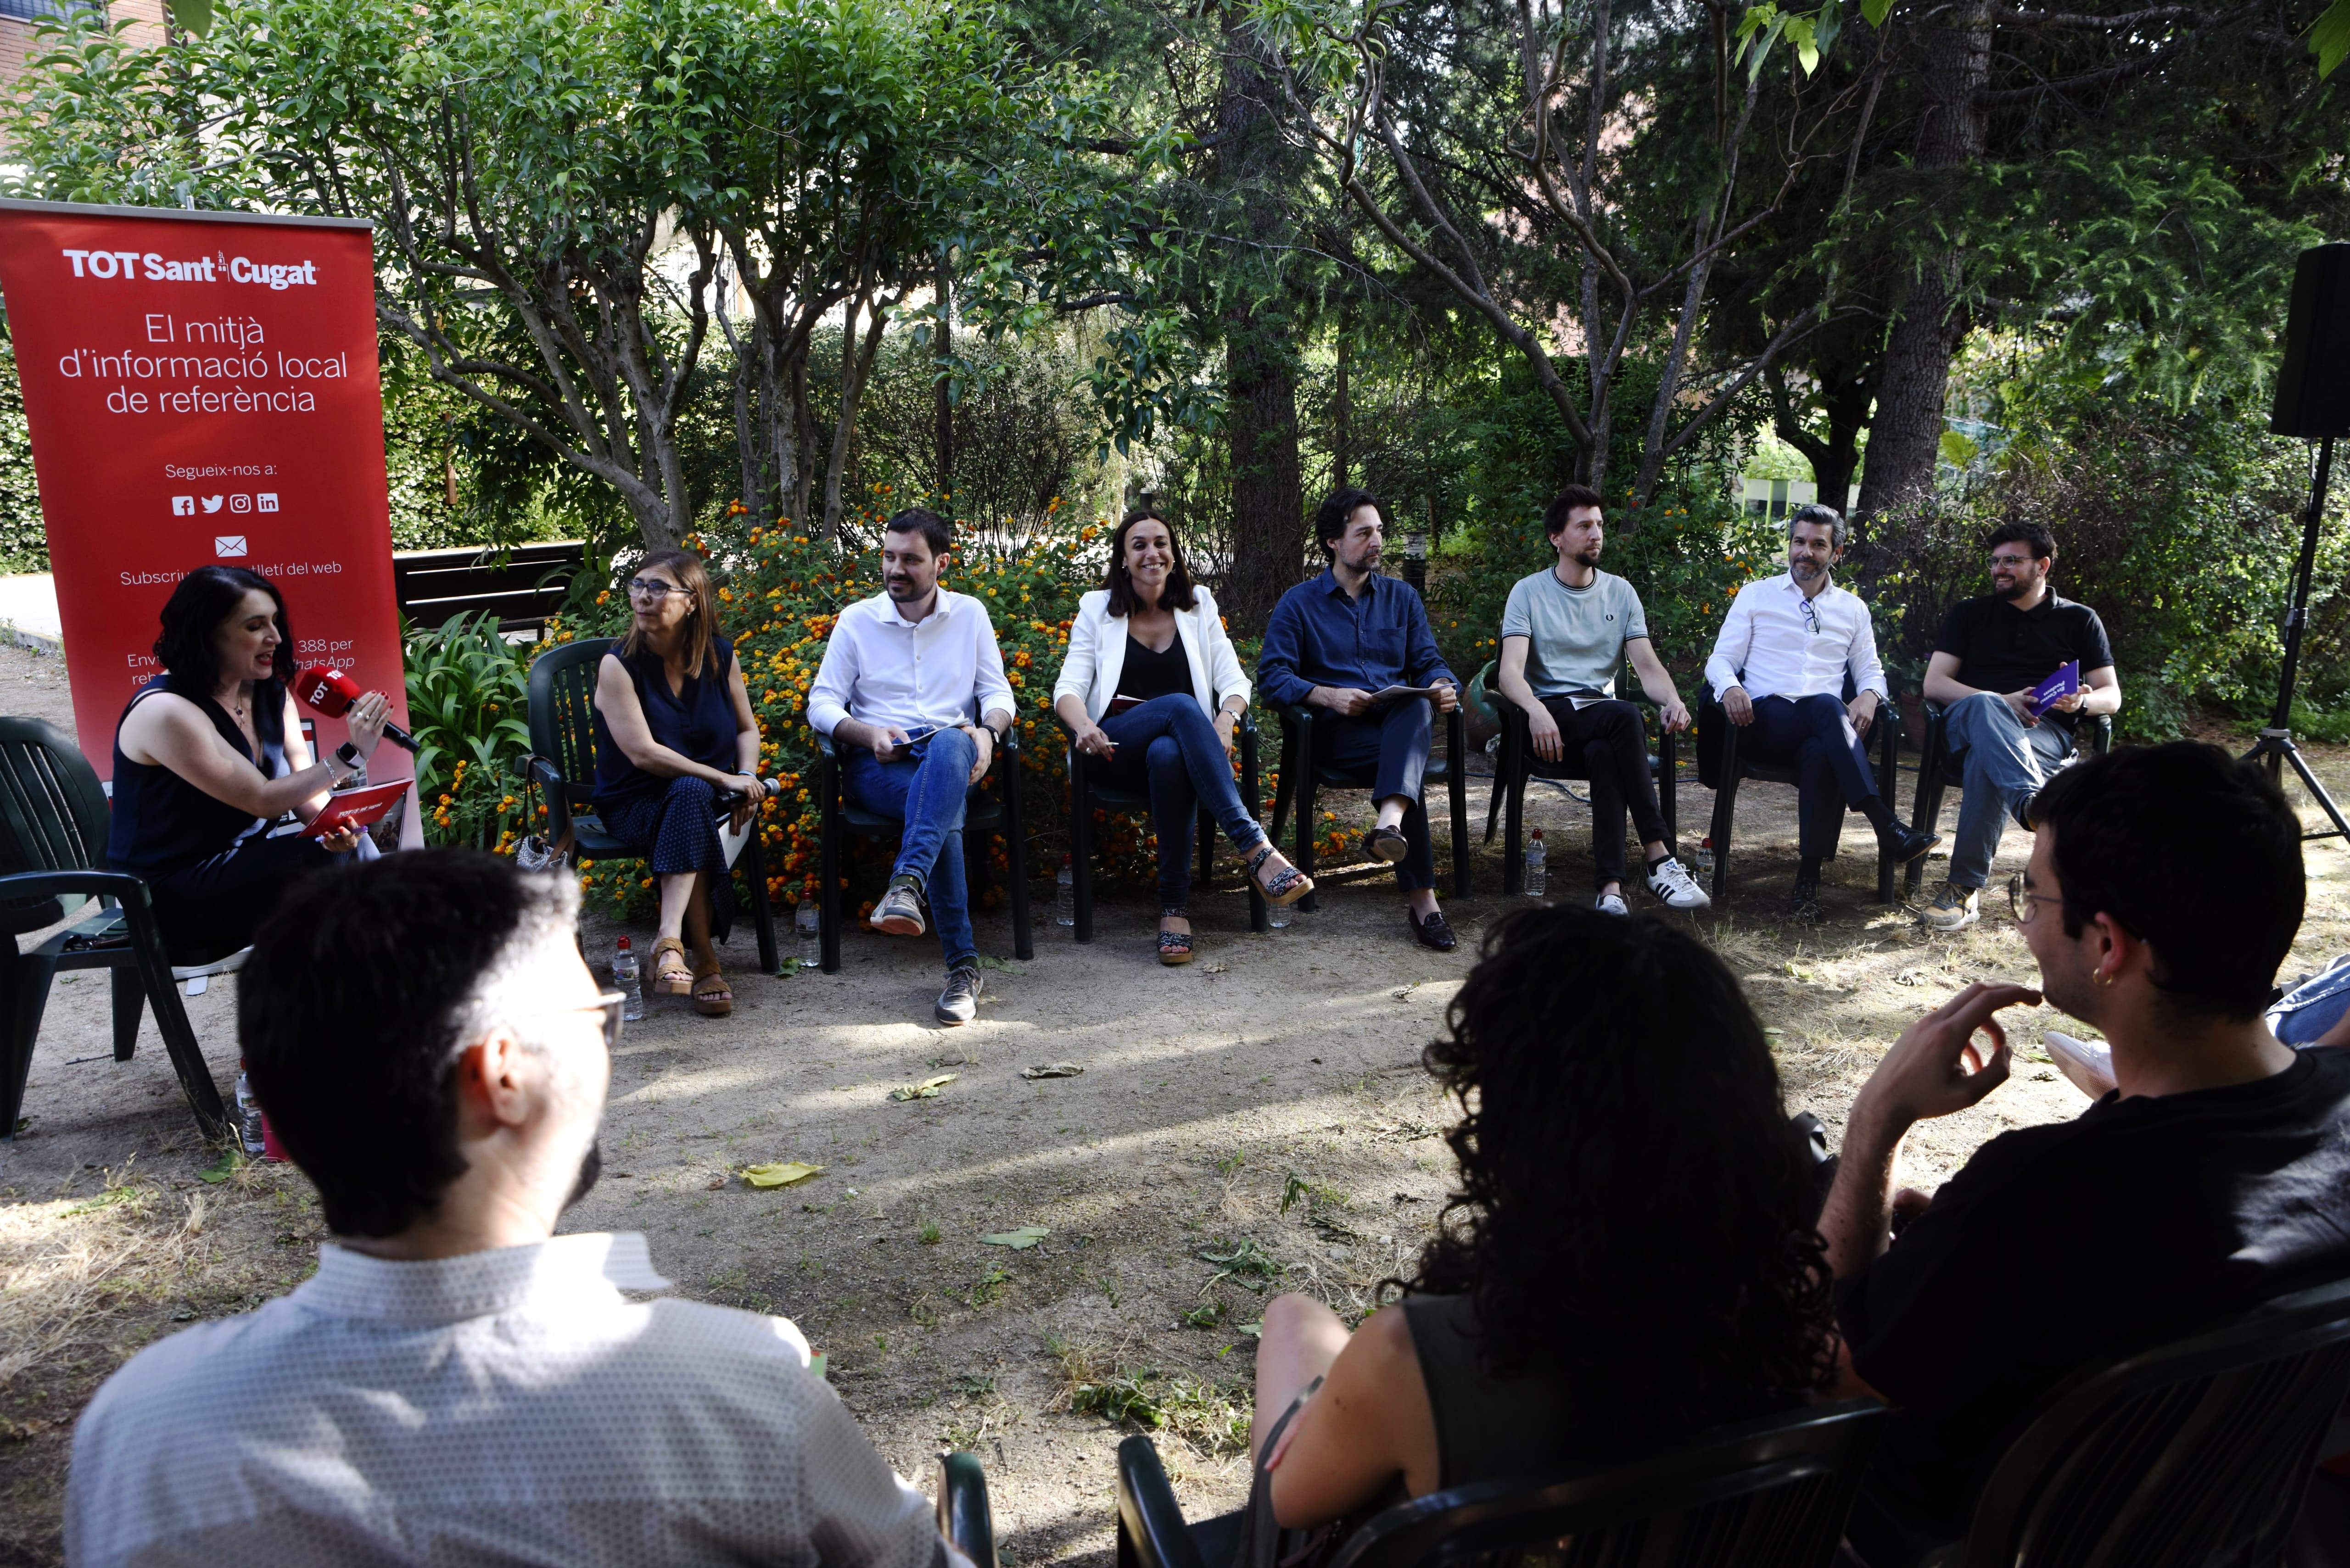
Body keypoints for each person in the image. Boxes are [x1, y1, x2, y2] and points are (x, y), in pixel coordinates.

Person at [65, 851, 966, 1568]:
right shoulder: (743, 1402)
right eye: (596, 1018)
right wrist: (733, 1373)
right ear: (501, 1075)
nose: (607, 1050)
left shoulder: (140, 1432)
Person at [1818, 743, 2350, 1564]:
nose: (2024, 920)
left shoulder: (2044, 1194)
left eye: (2031, 896)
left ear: (2107, 945)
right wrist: (1961, 1245)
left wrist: (1877, 1122)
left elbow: (1837, 1384)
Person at [1234, 906, 1835, 1567]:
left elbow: (1292, 1502)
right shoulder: (1794, 1326)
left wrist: (1321, 1406)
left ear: (1517, 1133)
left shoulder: (1417, 1356)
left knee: (1293, 1320)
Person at [1052, 505, 1313, 962]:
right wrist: (1084, 725)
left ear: (1173, 554)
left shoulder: (1198, 606)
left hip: (1174, 759)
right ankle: (1254, 847)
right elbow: (1068, 689)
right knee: (1179, 705)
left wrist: (1227, 719)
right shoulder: (1096, 610)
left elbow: (1234, 682)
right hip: (1113, 747)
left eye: (1160, 544)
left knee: (1171, 753)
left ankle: (1173, 910)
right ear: (1122, 559)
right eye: (1139, 546)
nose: (1151, 553)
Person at [105, 565, 392, 952]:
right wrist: (350, 755)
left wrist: (340, 825)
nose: (275, 637)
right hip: (165, 892)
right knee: (324, 867)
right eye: (255, 626)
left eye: (275, 622)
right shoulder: (166, 712)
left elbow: (303, 791)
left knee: (352, 846)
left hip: (243, 866)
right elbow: (262, 798)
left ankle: (386, 979)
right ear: (207, 634)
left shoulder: (271, 695)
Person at [808, 508, 1014, 1024]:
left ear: (941, 563)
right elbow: (822, 704)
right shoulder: (857, 620)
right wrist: (867, 732)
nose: (895, 569)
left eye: (910, 560)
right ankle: (963, 969)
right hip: (880, 766)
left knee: (949, 744)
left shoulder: (969, 615)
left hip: (952, 753)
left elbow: (997, 693)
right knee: (943, 812)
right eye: (888, 556)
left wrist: (988, 734)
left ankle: (905, 887)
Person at [1703, 504, 1937, 923]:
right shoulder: (1756, 595)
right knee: (1830, 709)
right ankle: (1887, 826)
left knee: (1821, 751)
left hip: (1825, 732)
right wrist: (1731, 687)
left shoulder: (1852, 609)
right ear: (1790, 545)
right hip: (1762, 721)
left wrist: (1869, 694)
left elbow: (1871, 670)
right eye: (1799, 541)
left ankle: (1807, 881)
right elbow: (1720, 661)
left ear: (1837, 552)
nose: (1805, 552)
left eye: (1818, 544)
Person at [1258, 488, 1463, 951]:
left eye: (1380, 532)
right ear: (1333, 541)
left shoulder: (1401, 598)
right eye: (1364, 532)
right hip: (1333, 736)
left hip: (1394, 727)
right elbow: (1271, 677)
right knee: (1405, 767)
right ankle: (1424, 904)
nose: (1376, 542)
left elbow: (1429, 661)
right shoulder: (1299, 603)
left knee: (1416, 703)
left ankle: (1389, 828)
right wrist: (1327, 695)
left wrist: (1443, 684)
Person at [1494, 485, 1710, 915]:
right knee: (1624, 717)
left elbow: (1647, 665)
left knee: (1606, 751)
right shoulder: (1528, 592)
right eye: (1585, 526)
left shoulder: (1621, 593)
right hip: (1549, 720)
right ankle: (1660, 857)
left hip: (1600, 719)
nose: (1597, 535)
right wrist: (1535, 709)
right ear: (1557, 537)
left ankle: (1610, 889)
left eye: (1600, 525)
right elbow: (1509, 675)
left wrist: (1673, 699)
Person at [1914, 520, 2119, 931]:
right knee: (1987, 707)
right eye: (1995, 561)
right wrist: (2000, 702)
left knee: (1984, 764)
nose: (1999, 569)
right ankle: (2032, 805)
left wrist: (2081, 700)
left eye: (2012, 560)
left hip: (2041, 735)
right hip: (1965, 723)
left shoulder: (2080, 620)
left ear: (2042, 566)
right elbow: (1934, 684)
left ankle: (1963, 890)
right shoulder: (1970, 614)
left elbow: (2111, 696)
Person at [592, 548, 769, 1018]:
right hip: (634, 802)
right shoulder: (618, 666)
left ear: (692, 601)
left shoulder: (718, 656)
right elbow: (643, 754)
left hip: (710, 797)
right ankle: (703, 959)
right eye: (637, 585)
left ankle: (670, 948)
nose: (643, 597)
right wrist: (723, 778)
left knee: (692, 800)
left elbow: (746, 729)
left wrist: (746, 779)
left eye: (657, 587)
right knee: (690, 799)